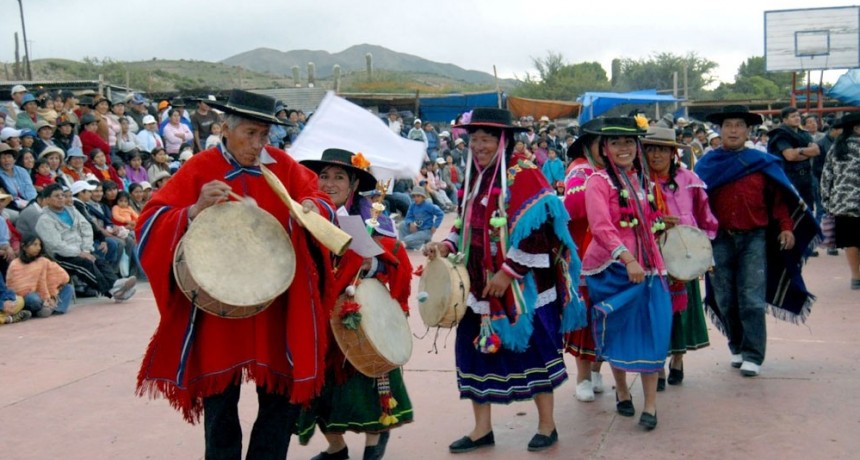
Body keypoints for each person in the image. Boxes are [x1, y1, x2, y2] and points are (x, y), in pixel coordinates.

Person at [134, 89, 336, 459]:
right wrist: (193, 210)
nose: (259, 144)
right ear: (224, 128)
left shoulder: (282, 166)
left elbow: (320, 199)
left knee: (279, 401)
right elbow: (150, 222)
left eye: (265, 135)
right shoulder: (200, 168)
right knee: (220, 406)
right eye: (250, 134)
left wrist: (311, 206)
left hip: (275, 303)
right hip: (219, 310)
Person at [422, 108, 584, 452]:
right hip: (477, 283)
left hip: (523, 287)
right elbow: (463, 225)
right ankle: (482, 429)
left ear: (504, 140)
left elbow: (536, 234)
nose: (478, 145)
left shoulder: (524, 175)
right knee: (474, 353)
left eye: (487, 139)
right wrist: (444, 245)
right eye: (474, 139)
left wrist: (507, 272)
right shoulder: (473, 177)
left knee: (536, 350)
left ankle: (547, 425)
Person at [298, 148, 413, 460]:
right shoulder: (305, 213)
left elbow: (397, 263)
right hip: (318, 315)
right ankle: (336, 448)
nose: (330, 183)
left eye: (339, 177)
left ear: (352, 186)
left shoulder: (374, 220)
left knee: (369, 378)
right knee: (319, 384)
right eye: (323, 176)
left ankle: (374, 445)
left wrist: (370, 267)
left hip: (358, 316)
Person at [696, 105, 818, 377]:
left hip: (754, 238)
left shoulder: (761, 162)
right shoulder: (706, 165)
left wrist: (786, 227)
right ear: (720, 130)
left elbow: (778, 198)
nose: (734, 130)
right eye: (728, 125)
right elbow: (695, 202)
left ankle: (753, 354)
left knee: (751, 299)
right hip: (719, 240)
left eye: (739, 125)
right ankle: (736, 345)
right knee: (726, 299)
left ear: (748, 130)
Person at [581, 116, 672, 430]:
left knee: (655, 329)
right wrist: (627, 258)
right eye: (616, 142)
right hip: (613, 268)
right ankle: (621, 390)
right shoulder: (597, 181)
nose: (624, 148)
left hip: (649, 266)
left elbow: (651, 219)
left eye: (629, 142)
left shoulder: (642, 180)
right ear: (605, 148)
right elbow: (601, 226)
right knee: (617, 330)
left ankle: (650, 405)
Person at [642, 127, 719, 388]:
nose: (656, 154)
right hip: (651, 256)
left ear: (672, 152)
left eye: (662, 149)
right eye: (651, 148)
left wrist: (704, 253)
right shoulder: (638, 181)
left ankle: (677, 358)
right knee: (655, 311)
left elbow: (705, 215)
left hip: (683, 257)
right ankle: (658, 364)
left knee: (680, 311)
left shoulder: (689, 179)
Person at [562, 121, 607, 403]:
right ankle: (583, 376)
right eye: (601, 142)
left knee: (607, 313)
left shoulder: (619, 173)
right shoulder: (581, 169)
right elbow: (573, 207)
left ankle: (597, 369)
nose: (607, 148)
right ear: (588, 146)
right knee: (586, 316)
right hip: (585, 254)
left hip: (613, 255)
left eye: (611, 142)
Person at [35, 183, 136, 302]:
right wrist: (79, 253)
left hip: (81, 249)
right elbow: (56, 245)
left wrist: (86, 249)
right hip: (61, 256)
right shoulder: (44, 220)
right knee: (86, 264)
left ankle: (117, 286)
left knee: (99, 261)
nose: (61, 198)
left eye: (62, 195)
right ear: (47, 200)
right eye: (56, 196)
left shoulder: (72, 211)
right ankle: (113, 290)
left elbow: (86, 228)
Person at [820, 113, 860, 289]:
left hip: (842, 203)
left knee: (851, 241)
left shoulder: (836, 147)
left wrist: (827, 201)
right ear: (857, 128)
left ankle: (855, 277)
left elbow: (826, 176)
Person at [767, 107, 821, 213]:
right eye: (793, 116)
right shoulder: (780, 134)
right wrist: (807, 153)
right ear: (785, 120)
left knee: (808, 210)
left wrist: (799, 151)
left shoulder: (804, 133)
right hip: (789, 177)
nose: (797, 118)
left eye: (798, 116)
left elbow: (816, 151)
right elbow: (790, 156)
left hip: (806, 178)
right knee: (791, 210)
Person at [6, 234, 74, 317]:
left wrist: (51, 296)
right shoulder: (15, 264)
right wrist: (42, 296)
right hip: (30, 297)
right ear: (24, 246)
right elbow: (17, 289)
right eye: (35, 245)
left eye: (39, 245)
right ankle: (46, 307)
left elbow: (63, 277)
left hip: (49, 296)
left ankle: (51, 308)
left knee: (69, 288)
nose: (38, 248)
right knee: (33, 299)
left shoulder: (43, 260)